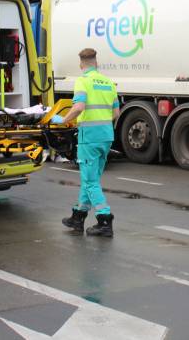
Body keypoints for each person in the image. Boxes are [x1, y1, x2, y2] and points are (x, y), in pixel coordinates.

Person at [59, 48, 120, 237]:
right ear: (96, 62)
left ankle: (104, 220)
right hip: (106, 137)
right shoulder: (109, 83)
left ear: (81, 64)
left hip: (89, 139)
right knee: (90, 179)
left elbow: (78, 107)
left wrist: (63, 120)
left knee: (90, 180)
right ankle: (78, 217)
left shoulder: (83, 81)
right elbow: (116, 114)